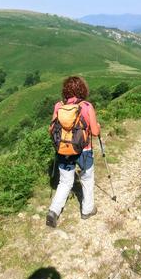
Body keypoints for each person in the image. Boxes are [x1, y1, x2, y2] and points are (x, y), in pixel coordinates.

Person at [46, 76, 101, 228]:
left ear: (65, 90)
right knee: (87, 179)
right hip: (84, 150)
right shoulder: (87, 106)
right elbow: (95, 132)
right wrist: (98, 126)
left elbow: (51, 129)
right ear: (83, 89)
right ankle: (87, 210)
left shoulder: (59, 106)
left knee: (64, 182)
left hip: (64, 150)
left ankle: (53, 211)